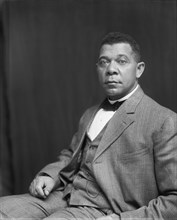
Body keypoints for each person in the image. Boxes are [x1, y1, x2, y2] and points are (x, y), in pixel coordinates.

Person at [0, 32, 177, 220]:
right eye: (104, 62)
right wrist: (51, 175)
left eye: (122, 61)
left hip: (107, 210)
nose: (111, 69)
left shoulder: (164, 121)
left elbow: (174, 201)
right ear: (97, 68)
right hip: (67, 194)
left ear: (139, 69)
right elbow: (71, 155)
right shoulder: (90, 114)